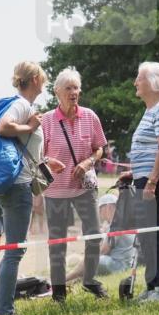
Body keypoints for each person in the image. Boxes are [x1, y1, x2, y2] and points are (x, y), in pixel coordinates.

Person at [0, 61, 50, 315]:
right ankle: (6, 314)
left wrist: (46, 162)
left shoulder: (23, 105)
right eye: (42, 78)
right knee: (15, 251)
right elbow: (2, 127)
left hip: (17, 183)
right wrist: (30, 127)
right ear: (34, 78)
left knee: (12, 249)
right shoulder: (22, 105)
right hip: (17, 187)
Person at [40, 67, 108, 302]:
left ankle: (89, 280)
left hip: (84, 189)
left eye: (76, 87)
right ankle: (58, 290)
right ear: (57, 92)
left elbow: (100, 148)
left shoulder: (90, 116)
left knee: (94, 235)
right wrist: (49, 160)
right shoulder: (47, 120)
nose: (73, 92)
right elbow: (38, 155)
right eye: (68, 88)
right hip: (56, 191)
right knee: (57, 242)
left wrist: (89, 161)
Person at [120, 61, 159, 304]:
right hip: (146, 178)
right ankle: (153, 284)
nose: (135, 82)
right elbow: (151, 148)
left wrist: (152, 182)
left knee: (155, 233)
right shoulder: (151, 110)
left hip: (156, 180)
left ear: (153, 83)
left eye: (139, 78)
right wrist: (135, 173)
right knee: (147, 235)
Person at [65, 194, 137, 282]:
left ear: (108, 207)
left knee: (90, 258)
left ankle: (65, 279)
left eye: (99, 209)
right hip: (125, 263)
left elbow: (104, 250)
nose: (98, 213)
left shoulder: (116, 224)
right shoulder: (120, 221)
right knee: (89, 259)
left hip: (118, 265)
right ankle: (75, 278)